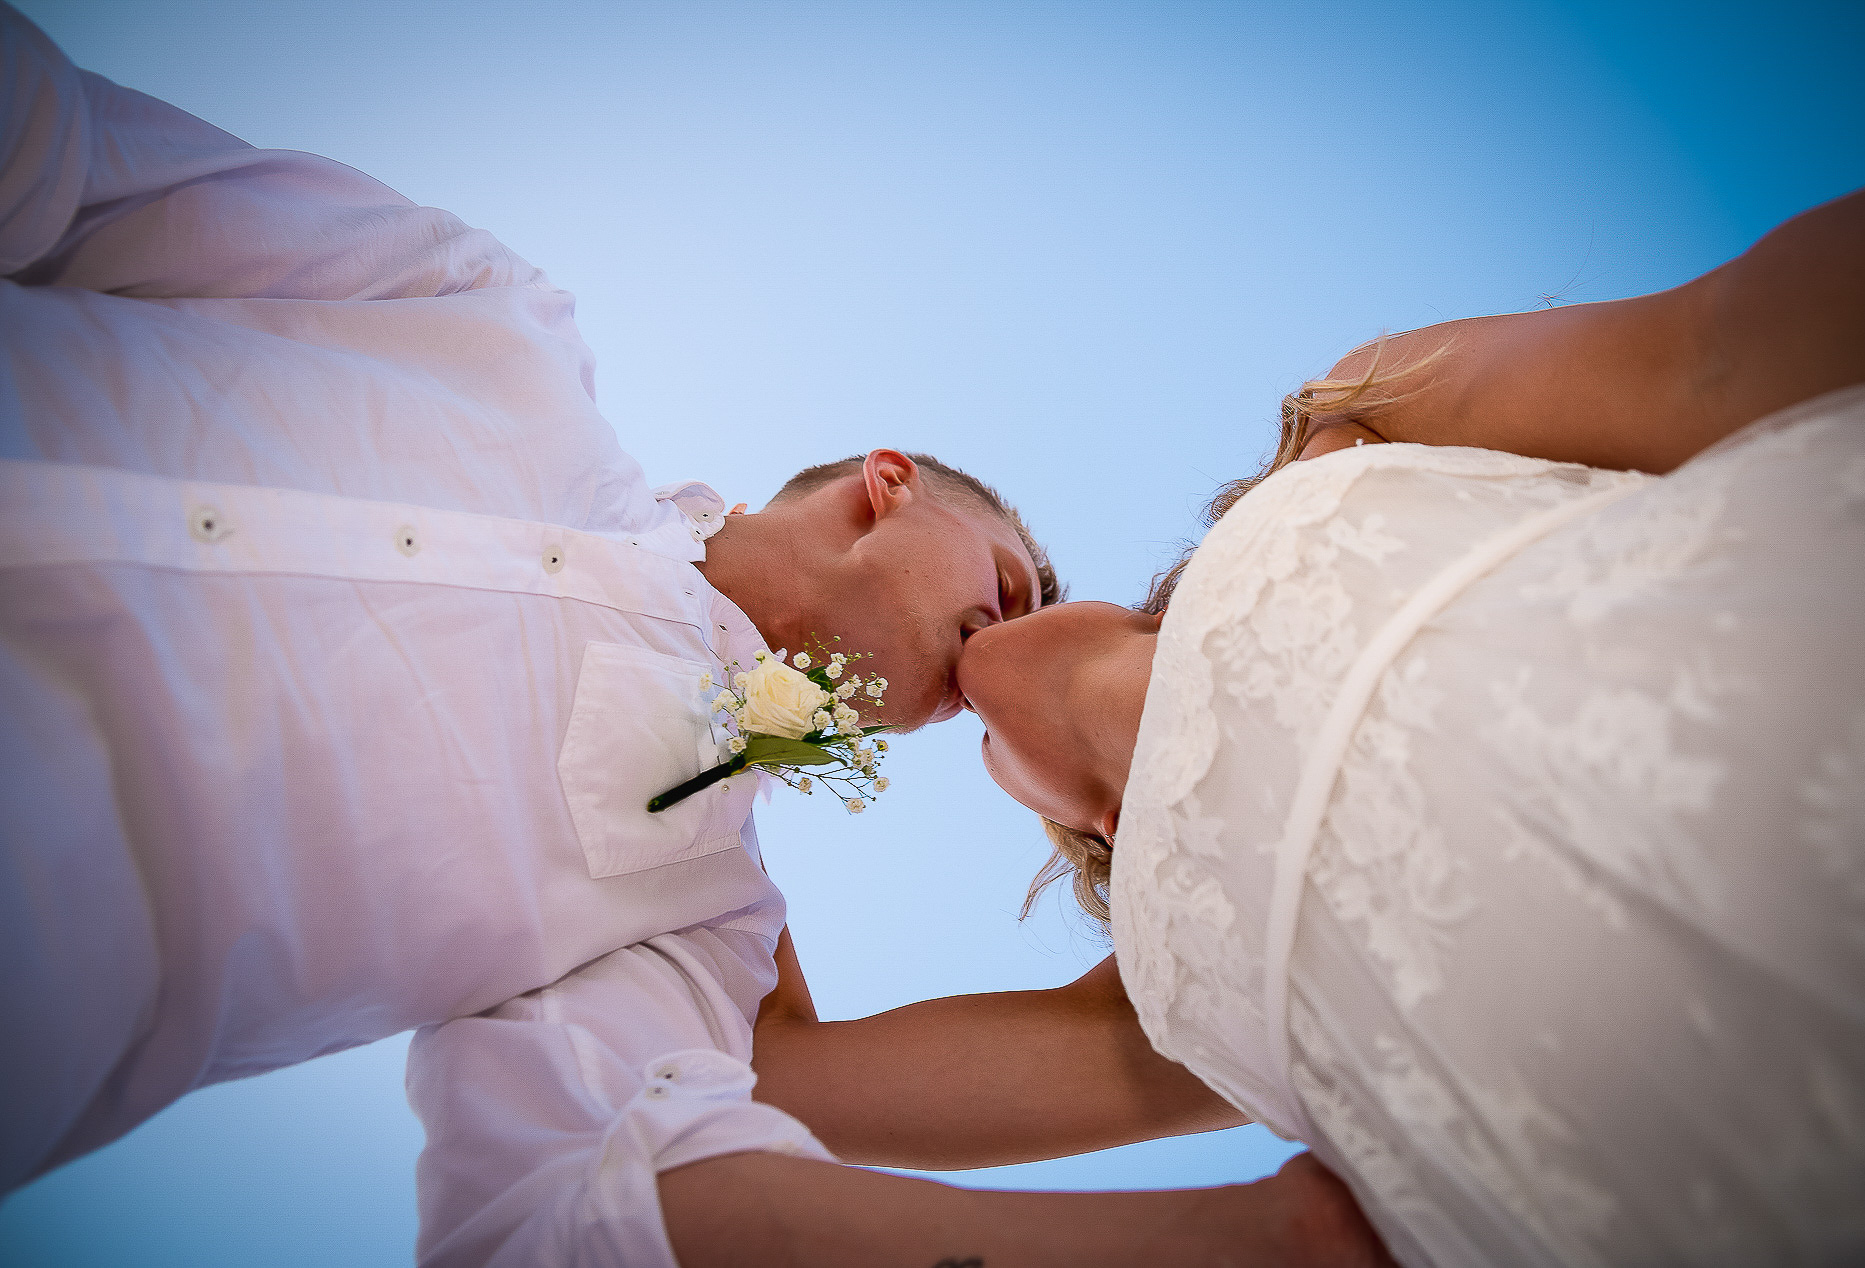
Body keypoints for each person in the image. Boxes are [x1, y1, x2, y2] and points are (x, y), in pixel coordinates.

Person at [0, 9, 1396, 1264]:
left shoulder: (691, 917)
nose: (986, 674)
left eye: (978, 723)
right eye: (1015, 585)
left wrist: (1243, 1227)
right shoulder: (486, 324)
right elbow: (62, 163)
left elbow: (600, 1198)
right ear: (885, 479)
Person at [792, 175, 1865, 1265]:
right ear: (1087, 821)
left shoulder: (1359, 423)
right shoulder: (1154, 1015)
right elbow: (772, 1078)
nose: (982, 636)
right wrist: (713, 701)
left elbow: (1719, 346)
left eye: (1021, 582)